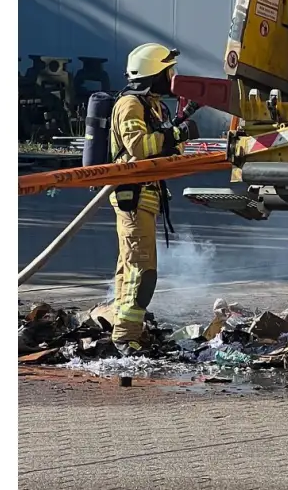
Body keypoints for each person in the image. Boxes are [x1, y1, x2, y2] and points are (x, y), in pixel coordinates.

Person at [106, 42, 198, 350]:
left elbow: (171, 149)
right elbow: (139, 148)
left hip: (149, 195)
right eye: (168, 70)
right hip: (133, 196)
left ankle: (126, 324)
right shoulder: (130, 105)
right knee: (143, 271)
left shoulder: (155, 105)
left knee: (129, 266)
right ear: (154, 74)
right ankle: (125, 338)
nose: (173, 76)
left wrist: (178, 133)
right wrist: (174, 135)